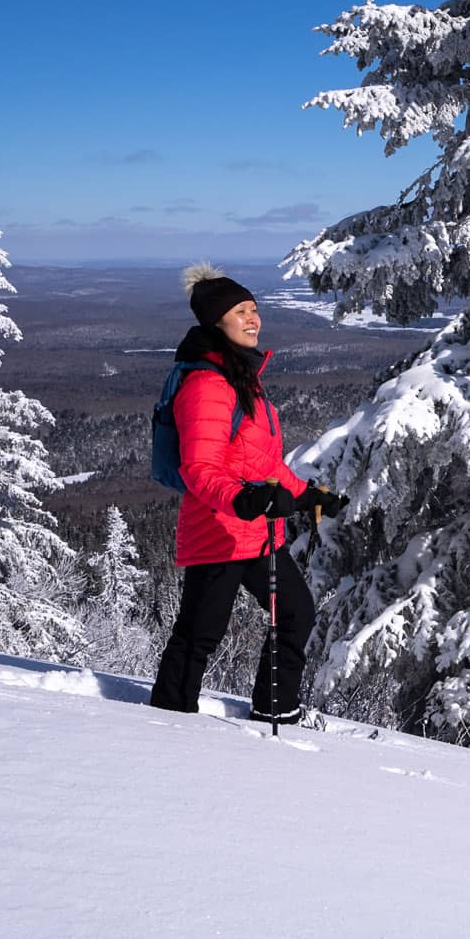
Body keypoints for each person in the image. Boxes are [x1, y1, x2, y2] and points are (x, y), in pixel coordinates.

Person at [149, 264, 345, 723]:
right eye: (241, 311)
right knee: (200, 633)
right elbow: (198, 468)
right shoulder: (206, 385)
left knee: (295, 612)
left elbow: (264, 464)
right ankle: (165, 722)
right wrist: (243, 500)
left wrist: (306, 496)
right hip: (216, 531)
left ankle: (276, 710)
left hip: (256, 532)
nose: (253, 319)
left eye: (255, 309)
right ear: (216, 322)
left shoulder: (241, 379)